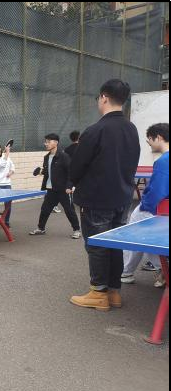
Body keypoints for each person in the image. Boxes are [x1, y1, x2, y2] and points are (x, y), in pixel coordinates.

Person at [69, 79, 140, 311]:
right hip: (123, 197)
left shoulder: (96, 130)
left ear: (104, 97)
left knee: (97, 245)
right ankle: (114, 292)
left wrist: (73, 183)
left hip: (97, 198)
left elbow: (77, 166)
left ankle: (98, 293)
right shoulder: (131, 129)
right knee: (114, 244)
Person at [121, 123, 169, 288]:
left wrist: (145, 206)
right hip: (164, 209)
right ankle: (162, 268)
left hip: (157, 207)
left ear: (159, 137)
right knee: (152, 238)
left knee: (135, 235)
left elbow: (157, 190)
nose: (148, 142)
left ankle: (126, 271)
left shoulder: (163, 161)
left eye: (149, 139)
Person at [29, 133, 81, 239]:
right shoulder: (46, 157)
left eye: (48, 142)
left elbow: (71, 172)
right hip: (51, 189)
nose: (46, 144)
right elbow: (49, 171)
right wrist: (41, 171)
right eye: (45, 142)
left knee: (69, 210)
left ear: (56, 142)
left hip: (63, 189)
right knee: (45, 209)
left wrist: (69, 186)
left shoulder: (64, 156)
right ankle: (41, 228)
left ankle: (76, 230)